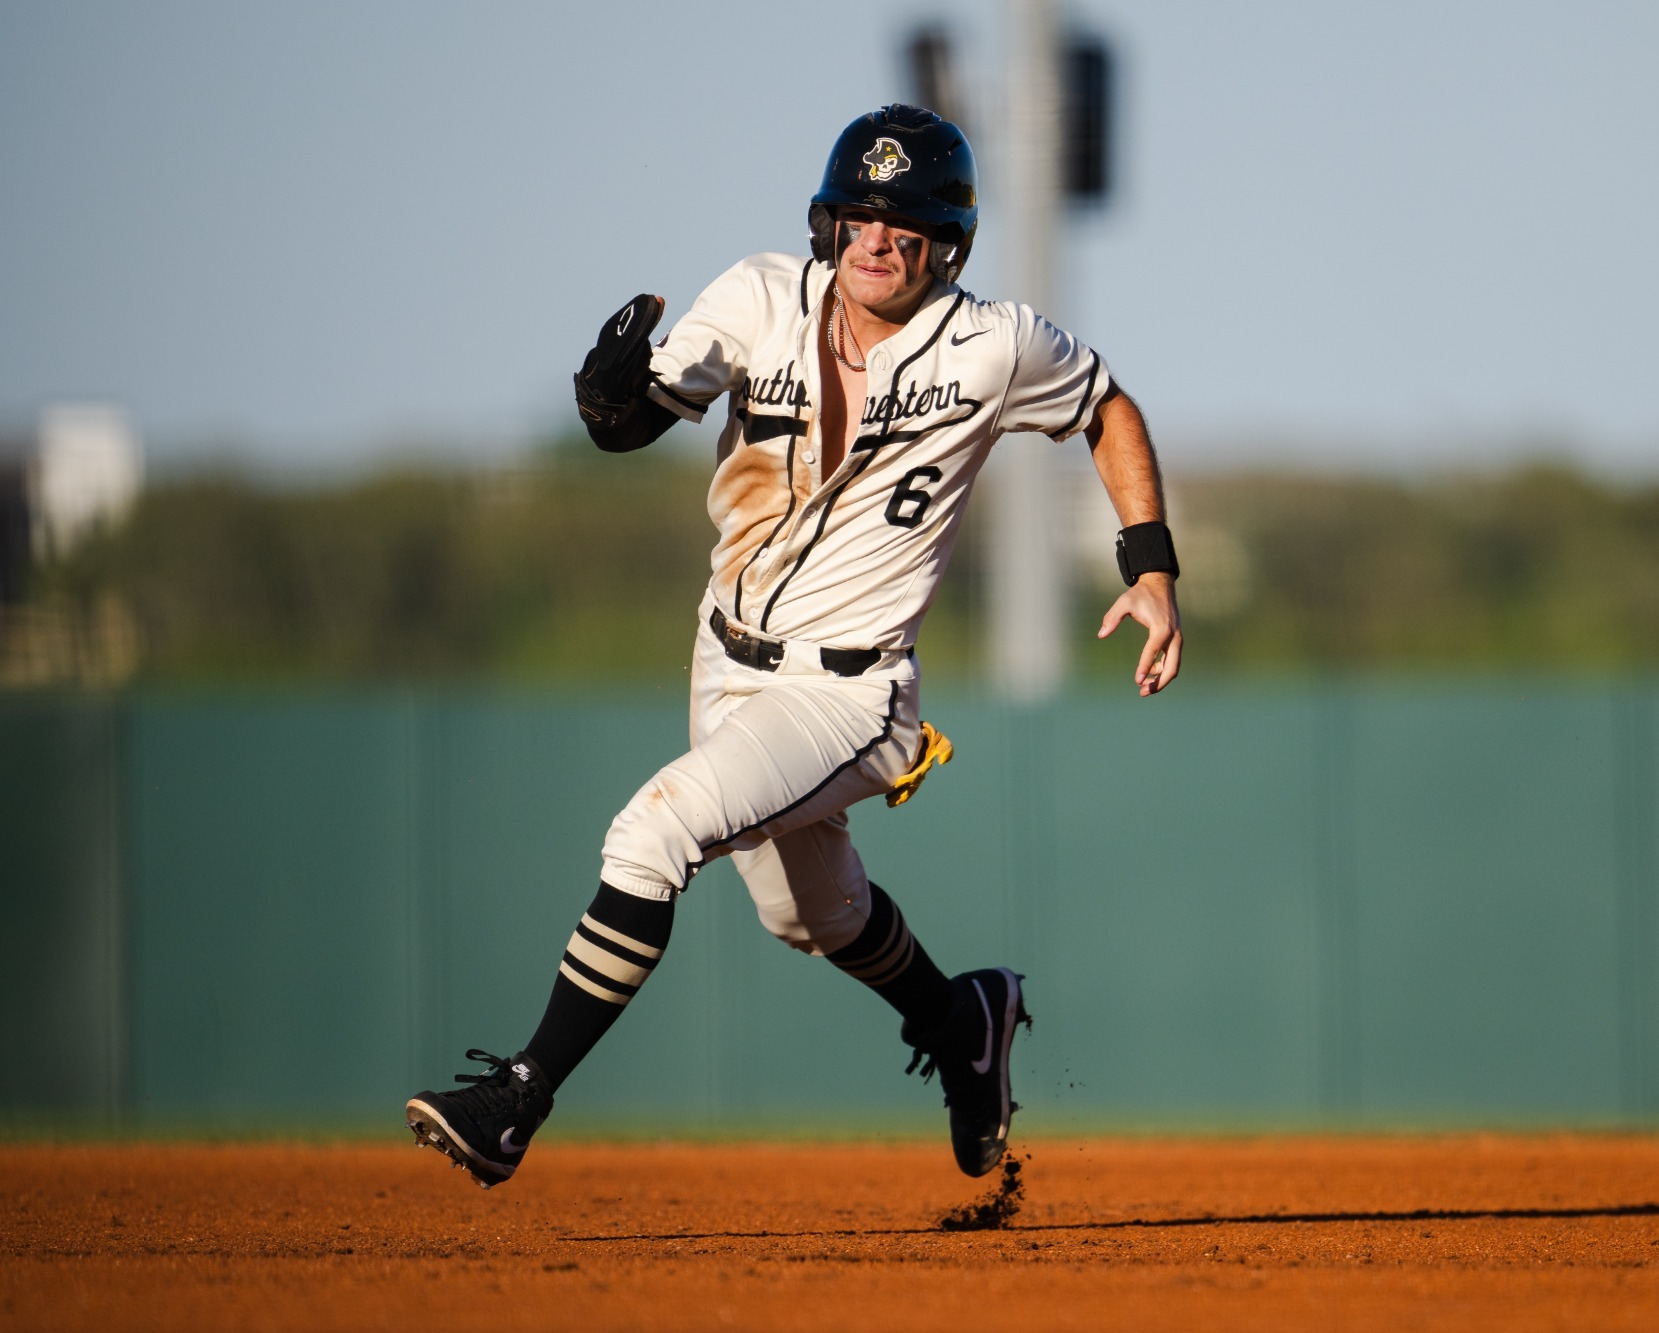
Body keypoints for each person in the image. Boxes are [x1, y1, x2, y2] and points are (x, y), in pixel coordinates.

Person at [405, 104, 1181, 1188]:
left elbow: (1108, 408)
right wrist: (604, 402)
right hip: (725, 653)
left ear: (945, 242)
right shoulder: (761, 296)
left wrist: (1148, 564)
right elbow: (640, 417)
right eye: (856, 213)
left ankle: (516, 1098)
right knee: (808, 914)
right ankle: (964, 1016)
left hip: (848, 691)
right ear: (826, 221)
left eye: (902, 220)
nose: (875, 237)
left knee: (650, 835)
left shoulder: (992, 343)